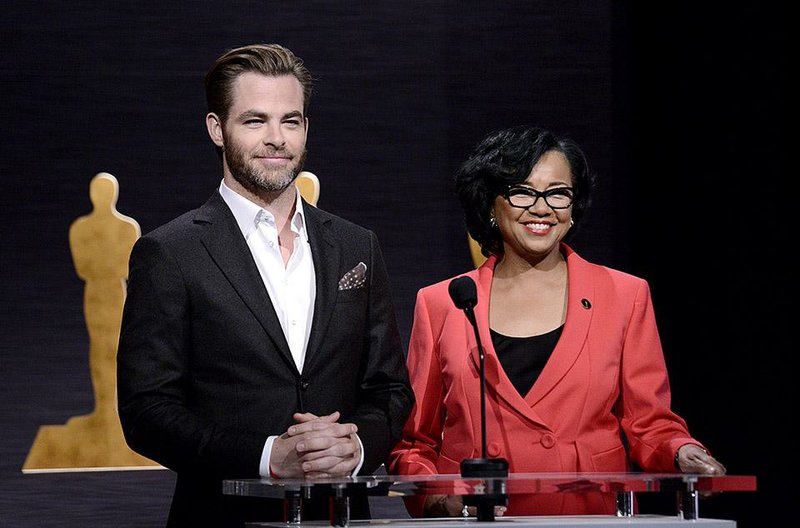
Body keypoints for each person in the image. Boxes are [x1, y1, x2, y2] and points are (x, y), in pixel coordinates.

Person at [117, 43, 414, 527]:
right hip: (222, 516)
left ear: (306, 129)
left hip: (340, 516)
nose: (276, 138)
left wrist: (356, 446)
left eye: (290, 121)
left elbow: (390, 389)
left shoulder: (356, 245)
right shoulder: (170, 252)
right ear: (218, 129)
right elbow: (147, 410)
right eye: (255, 121)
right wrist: (266, 456)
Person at [388, 125, 725, 517]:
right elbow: (414, 444)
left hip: (586, 516)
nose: (542, 207)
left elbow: (649, 423)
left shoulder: (625, 295)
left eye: (558, 193)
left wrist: (682, 451)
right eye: (522, 192)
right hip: (478, 522)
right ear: (491, 205)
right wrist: (438, 499)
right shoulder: (442, 303)